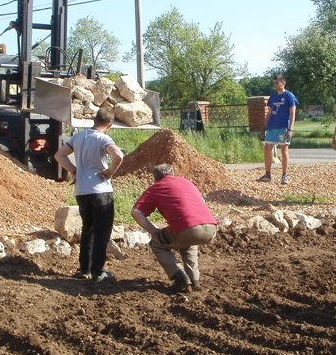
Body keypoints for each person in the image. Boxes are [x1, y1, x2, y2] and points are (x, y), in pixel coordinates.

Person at [54, 109, 124, 284]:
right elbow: (118, 155)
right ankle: (98, 272)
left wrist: (74, 170)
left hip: (82, 191)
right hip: (100, 191)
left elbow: (59, 155)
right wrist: (109, 171)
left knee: (88, 229)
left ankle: (84, 269)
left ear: (94, 119)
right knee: (102, 232)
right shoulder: (103, 138)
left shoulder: (78, 137)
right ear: (109, 125)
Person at [131, 163, 218, 294]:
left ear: (155, 177)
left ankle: (179, 277)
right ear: (173, 173)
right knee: (188, 242)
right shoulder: (187, 182)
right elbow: (202, 202)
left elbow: (136, 212)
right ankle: (194, 280)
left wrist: (154, 232)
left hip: (188, 229)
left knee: (157, 243)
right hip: (211, 227)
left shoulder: (156, 187)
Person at [257, 74, 298, 184]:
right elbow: (269, 112)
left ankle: (284, 175)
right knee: (267, 148)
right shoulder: (273, 96)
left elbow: (293, 113)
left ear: (283, 82)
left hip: (283, 126)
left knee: (284, 149)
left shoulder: (289, 96)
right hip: (272, 126)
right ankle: (267, 174)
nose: (275, 84)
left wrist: (290, 129)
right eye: (274, 82)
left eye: (277, 82)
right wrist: (264, 128)